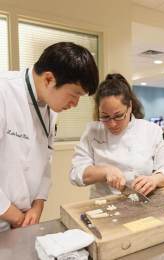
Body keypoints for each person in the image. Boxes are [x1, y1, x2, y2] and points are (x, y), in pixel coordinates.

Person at [0, 42, 99, 232]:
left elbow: (44, 161)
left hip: (23, 219)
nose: (75, 104)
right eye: (74, 94)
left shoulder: (50, 107)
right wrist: (14, 215)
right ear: (48, 80)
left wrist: (38, 205)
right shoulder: (3, 92)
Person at [70, 73, 164, 198]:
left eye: (118, 116)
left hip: (143, 202)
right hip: (103, 204)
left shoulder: (151, 131)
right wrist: (105, 171)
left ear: (130, 107)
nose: (112, 124)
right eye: (105, 116)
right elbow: (75, 173)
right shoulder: (92, 132)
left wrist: (155, 179)